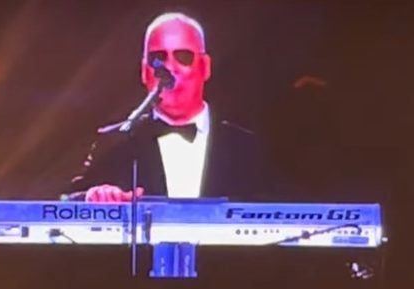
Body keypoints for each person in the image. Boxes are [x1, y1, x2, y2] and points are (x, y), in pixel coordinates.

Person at [72, 12, 271, 202]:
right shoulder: (117, 142)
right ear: (144, 71)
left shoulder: (244, 146)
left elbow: (276, 209)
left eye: (183, 57)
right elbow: (67, 202)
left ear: (205, 67)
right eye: (158, 58)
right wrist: (94, 197)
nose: (169, 68)